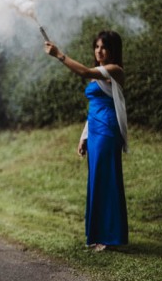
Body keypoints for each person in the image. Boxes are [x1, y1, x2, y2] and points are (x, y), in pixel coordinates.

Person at [45, 30, 128, 252]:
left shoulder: (114, 71)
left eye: (104, 47)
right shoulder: (97, 75)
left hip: (109, 131)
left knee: (105, 180)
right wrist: (84, 136)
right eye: (97, 46)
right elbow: (94, 108)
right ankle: (100, 234)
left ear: (113, 50)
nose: (99, 51)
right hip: (96, 130)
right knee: (96, 180)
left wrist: (59, 55)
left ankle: (109, 237)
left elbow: (83, 71)